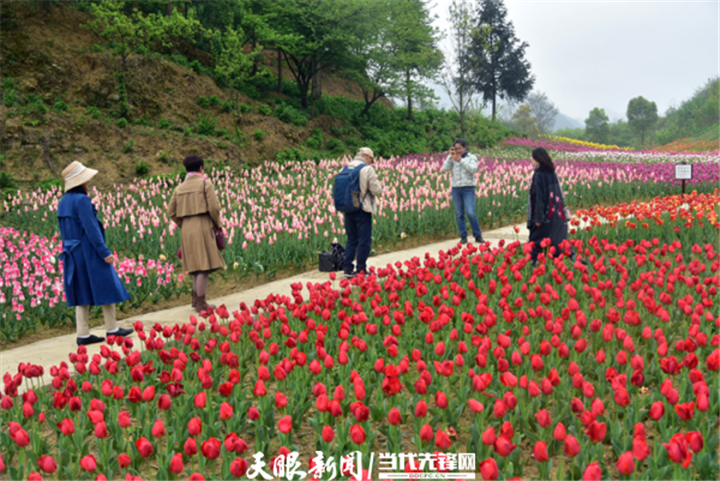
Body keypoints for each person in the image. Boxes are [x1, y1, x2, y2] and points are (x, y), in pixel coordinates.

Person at [57, 161, 133, 346]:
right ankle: (112, 329)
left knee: (80, 291)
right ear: (80, 182)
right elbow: (91, 229)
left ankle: (82, 334)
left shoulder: (63, 201)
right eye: (86, 180)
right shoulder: (81, 200)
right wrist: (104, 252)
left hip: (71, 252)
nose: (88, 183)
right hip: (88, 251)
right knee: (108, 285)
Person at [168, 154, 225, 312]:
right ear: (201, 168)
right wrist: (217, 224)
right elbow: (214, 208)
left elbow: (171, 211)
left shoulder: (179, 188)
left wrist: (184, 223)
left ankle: (195, 299)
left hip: (187, 228)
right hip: (203, 225)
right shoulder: (205, 184)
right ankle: (201, 303)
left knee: (194, 265)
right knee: (203, 266)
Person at [341, 147, 384, 279]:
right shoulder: (367, 169)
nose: (372, 162)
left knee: (351, 240)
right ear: (367, 157)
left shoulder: (345, 167)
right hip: (362, 209)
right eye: (372, 159)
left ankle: (347, 269)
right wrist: (381, 187)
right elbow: (375, 190)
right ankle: (361, 270)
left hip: (348, 209)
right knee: (364, 241)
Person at [527, 147, 571, 266]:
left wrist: (539, 219)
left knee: (536, 242)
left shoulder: (539, 175)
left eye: (532, 157)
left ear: (537, 159)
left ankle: (532, 267)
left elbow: (539, 198)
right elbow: (559, 194)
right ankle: (571, 258)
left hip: (544, 216)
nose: (531, 159)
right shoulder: (552, 172)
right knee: (556, 241)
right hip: (555, 214)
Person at [442, 138, 484, 244]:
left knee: (470, 212)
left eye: (459, 148)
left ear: (465, 147)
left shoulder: (472, 157)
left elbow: (473, 169)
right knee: (459, 214)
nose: (458, 151)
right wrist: (449, 155)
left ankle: (477, 235)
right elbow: (445, 168)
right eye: (455, 149)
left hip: (468, 188)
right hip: (456, 188)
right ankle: (463, 236)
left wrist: (461, 160)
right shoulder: (453, 157)